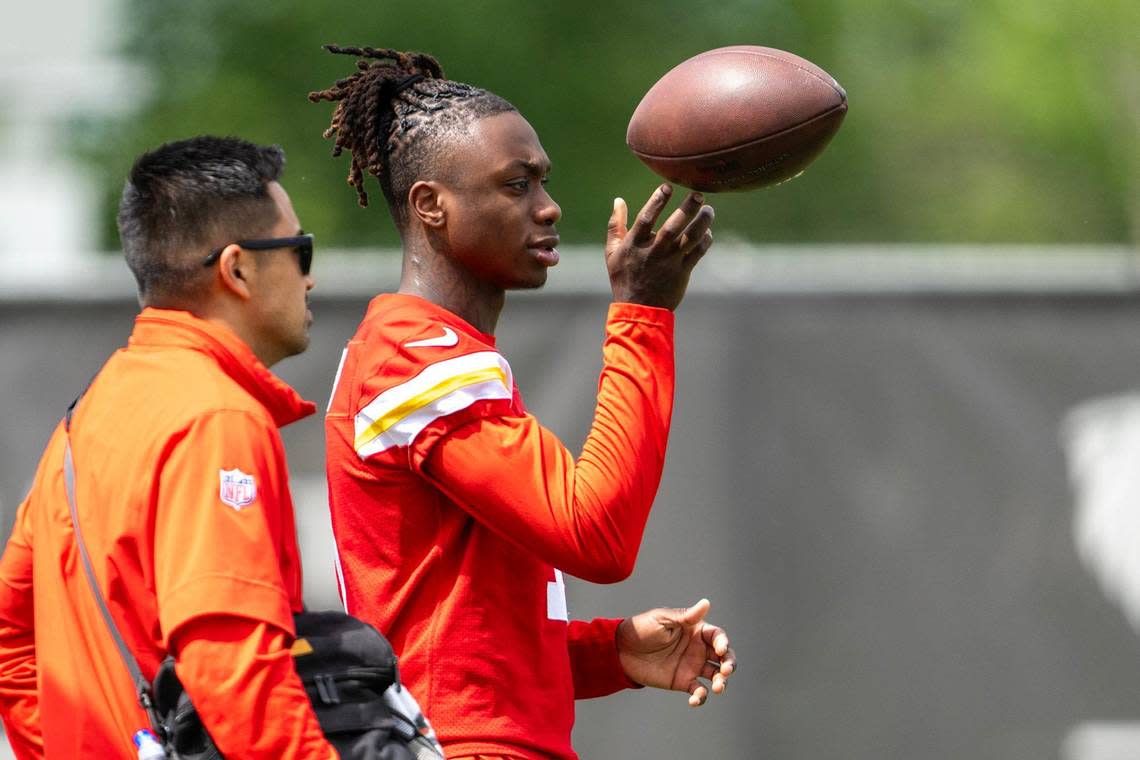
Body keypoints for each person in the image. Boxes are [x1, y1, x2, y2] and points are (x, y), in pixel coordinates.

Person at [313, 46, 737, 759]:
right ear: (431, 205)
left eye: (542, 181)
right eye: (516, 185)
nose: (548, 207)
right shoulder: (414, 355)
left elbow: (461, 643)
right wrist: (642, 315)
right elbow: (597, 537)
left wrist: (614, 654)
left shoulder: (430, 349)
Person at [0, 136, 338, 758]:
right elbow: (231, 664)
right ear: (237, 268)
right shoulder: (217, 416)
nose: (310, 276)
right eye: (299, 250)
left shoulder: (88, 417)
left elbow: (13, 641)